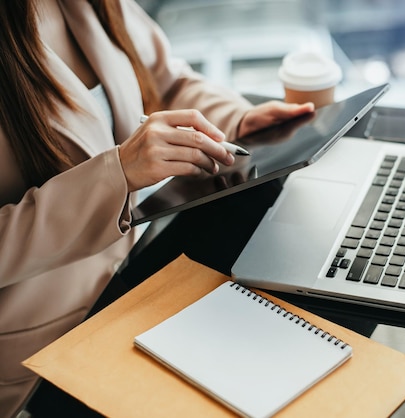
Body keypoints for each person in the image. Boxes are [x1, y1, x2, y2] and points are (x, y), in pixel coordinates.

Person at [0, 0, 314, 415]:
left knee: (285, 223)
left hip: (128, 266)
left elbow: (167, 82)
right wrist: (117, 175)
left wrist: (236, 121)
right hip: (45, 339)